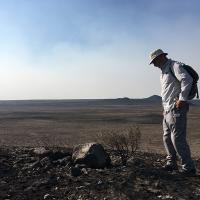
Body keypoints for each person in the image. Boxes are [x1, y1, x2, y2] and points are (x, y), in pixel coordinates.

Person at [149, 49, 196, 176]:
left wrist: (182, 99)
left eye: (154, 61)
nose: (153, 64)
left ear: (161, 57)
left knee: (177, 138)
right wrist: (165, 108)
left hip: (176, 108)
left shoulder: (175, 66)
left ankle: (188, 168)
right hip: (168, 109)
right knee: (167, 137)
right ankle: (172, 163)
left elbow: (187, 79)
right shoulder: (163, 72)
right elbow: (167, 91)